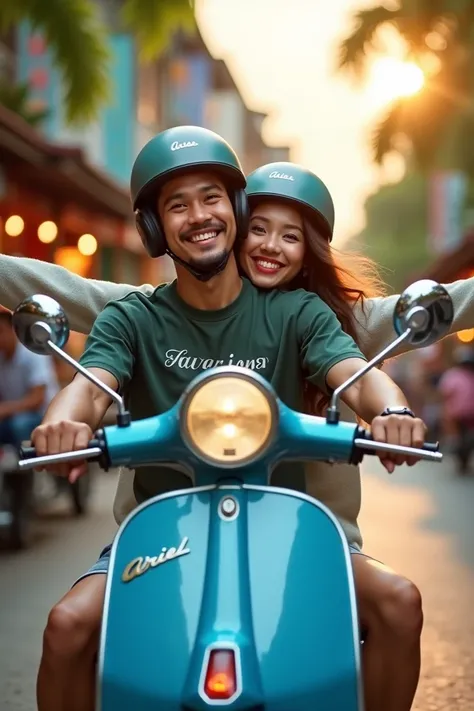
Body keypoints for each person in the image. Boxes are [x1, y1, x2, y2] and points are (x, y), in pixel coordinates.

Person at [27, 126, 427, 711]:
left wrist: (392, 410)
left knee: (399, 602)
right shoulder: (132, 318)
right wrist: (63, 421)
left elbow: (355, 374)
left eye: (211, 197)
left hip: (285, 528)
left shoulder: (296, 312)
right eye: (177, 205)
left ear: (236, 208)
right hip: (163, 535)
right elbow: (89, 390)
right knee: (66, 628)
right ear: (153, 228)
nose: (198, 215)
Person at [0, 310, 59, 446]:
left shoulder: (34, 353)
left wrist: (5, 409)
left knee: (20, 424)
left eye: (0, 331)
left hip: (44, 415)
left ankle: (31, 463)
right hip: (14, 415)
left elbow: (37, 399)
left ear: (13, 330)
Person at [439, 346, 474, 473]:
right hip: (461, 414)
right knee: (458, 438)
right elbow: (446, 395)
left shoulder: (453, 375)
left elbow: (445, 394)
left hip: (464, 414)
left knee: (463, 438)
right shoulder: (454, 375)